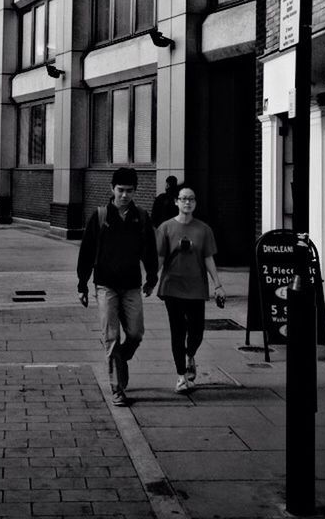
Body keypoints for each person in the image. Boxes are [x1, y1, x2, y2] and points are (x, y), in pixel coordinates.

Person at [77, 167, 158, 407]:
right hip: (105, 286)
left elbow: (150, 250)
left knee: (135, 333)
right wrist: (82, 284)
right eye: (120, 190)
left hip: (131, 284)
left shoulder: (141, 216)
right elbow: (87, 251)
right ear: (112, 189)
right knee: (111, 336)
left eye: (129, 191)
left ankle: (119, 359)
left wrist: (151, 278)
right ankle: (117, 388)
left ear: (135, 191)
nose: (124, 195)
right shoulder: (100, 215)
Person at [156, 186, 224, 393]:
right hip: (172, 286)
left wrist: (218, 285)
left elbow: (208, 258)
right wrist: (150, 280)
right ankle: (181, 376)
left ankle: (189, 355)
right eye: (183, 199)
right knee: (177, 332)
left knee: (197, 332)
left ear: (195, 203)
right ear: (176, 202)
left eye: (191, 199)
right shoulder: (165, 228)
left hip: (196, 287)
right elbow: (159, 258)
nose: (187, 202)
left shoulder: (203, 229)